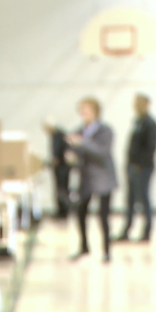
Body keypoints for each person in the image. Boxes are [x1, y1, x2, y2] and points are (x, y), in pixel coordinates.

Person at [66, 97, 118, 263]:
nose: (83, 113)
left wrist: (82, 143)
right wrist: (71, 154)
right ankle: (84, 247)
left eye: (86, 110)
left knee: (103, 216)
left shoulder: (106, 131)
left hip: (103, 179)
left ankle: (107, 251)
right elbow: (75, 150)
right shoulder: (79, 131)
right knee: (81, 212)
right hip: (86, 179)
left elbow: (101, 153)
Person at [116, 94, 156, 243]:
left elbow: (150, 148)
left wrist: (139, 165)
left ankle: (147, 232)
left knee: (144, 199)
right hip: (132, 167)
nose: (136, 105)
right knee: (130, 199)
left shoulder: (150, 124)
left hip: (143, 168)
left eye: (139, 103)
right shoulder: (137, 122)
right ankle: (127, 229)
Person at [43, 119, 71, 219]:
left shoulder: (59, 135)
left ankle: (64, 212)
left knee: (62, 189)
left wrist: (53, 161)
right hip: (59, 167)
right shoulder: (56, 135)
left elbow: (58, 152)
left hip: (62, 168)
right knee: (60, 190)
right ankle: (61, 211)